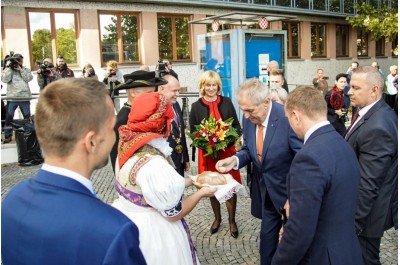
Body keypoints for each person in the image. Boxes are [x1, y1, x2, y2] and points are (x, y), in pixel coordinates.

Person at [1, 78, 146, 265]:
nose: (115, 136)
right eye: (112, 128)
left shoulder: (13, 199)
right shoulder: (114, 231)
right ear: (91, 142)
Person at [112, 92, 216, 265]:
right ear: (161, 123)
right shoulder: (154, 165)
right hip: (154, 233)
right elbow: (173, 214)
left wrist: (190, 181)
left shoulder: (127, 145)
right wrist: (202, 193)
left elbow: (148, 188)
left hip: (128, 222)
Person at [271, 86, 363, 264]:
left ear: (296, 116)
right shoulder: (342, 142)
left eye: (288, 118)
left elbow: (300, 231)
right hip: (347, 251)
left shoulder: (307, 158)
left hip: (322, 256)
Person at [215, 78, 302, 265]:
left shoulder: (288, 119)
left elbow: (303, 160)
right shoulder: (250, 120)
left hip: (291, 198)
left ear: (266, 102)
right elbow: (249, 149)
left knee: (293, 249)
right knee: (267, 246)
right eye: (243, 110)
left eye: (250, 110)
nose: (245, 116)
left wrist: (295, 197)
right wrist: (236, 159)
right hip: (267, 197)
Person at [346, 66, 398, 265]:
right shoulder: (371, 113)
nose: (349, 91)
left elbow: (369, 183)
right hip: (366, 213)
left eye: (356, 87)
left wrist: (354, 225)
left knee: (366, 259)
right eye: (350, 86)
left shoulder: (378, 125)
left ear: (374, 90)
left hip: (367, 217)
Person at [189, 70, 242, 238]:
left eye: (214, 85)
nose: (211, 88)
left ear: (218, 86)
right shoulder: (196, 106)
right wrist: (204, 141)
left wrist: (227, 140)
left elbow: (236, 127)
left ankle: (232, 220)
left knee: (230, 187)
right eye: (207, 85)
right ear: (202, 86)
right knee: (211, 187)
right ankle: (217, 218)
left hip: (226, 152)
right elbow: (193, 133)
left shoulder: (227, 102)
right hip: (207, 154)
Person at [110, 70, 167, 172]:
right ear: (132, 92)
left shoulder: (147, 112)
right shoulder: (122, 120)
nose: (154, 96)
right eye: (149, 93)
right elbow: (118, 160)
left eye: (154, 92)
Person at [158, 74, 190, 176]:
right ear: (162, 88)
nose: (178, 94)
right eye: (174, 91)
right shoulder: (155, 109)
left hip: (179, 160)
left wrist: (185, 157)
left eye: (178, 90)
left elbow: (181, 132)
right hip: (165, 164)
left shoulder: (175, 103)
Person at [1, 53, 33, 143]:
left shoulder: (25, 69)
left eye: (20, 60)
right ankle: (8, 136)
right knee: (9, 118)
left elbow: (29, 78)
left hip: (24, 98)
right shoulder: (9, 70)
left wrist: (20, 70)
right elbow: (4, 80)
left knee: (27, 118)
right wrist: (9, 68)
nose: (19, 62)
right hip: (12, 98)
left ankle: (29, 134)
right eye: (17, 60)